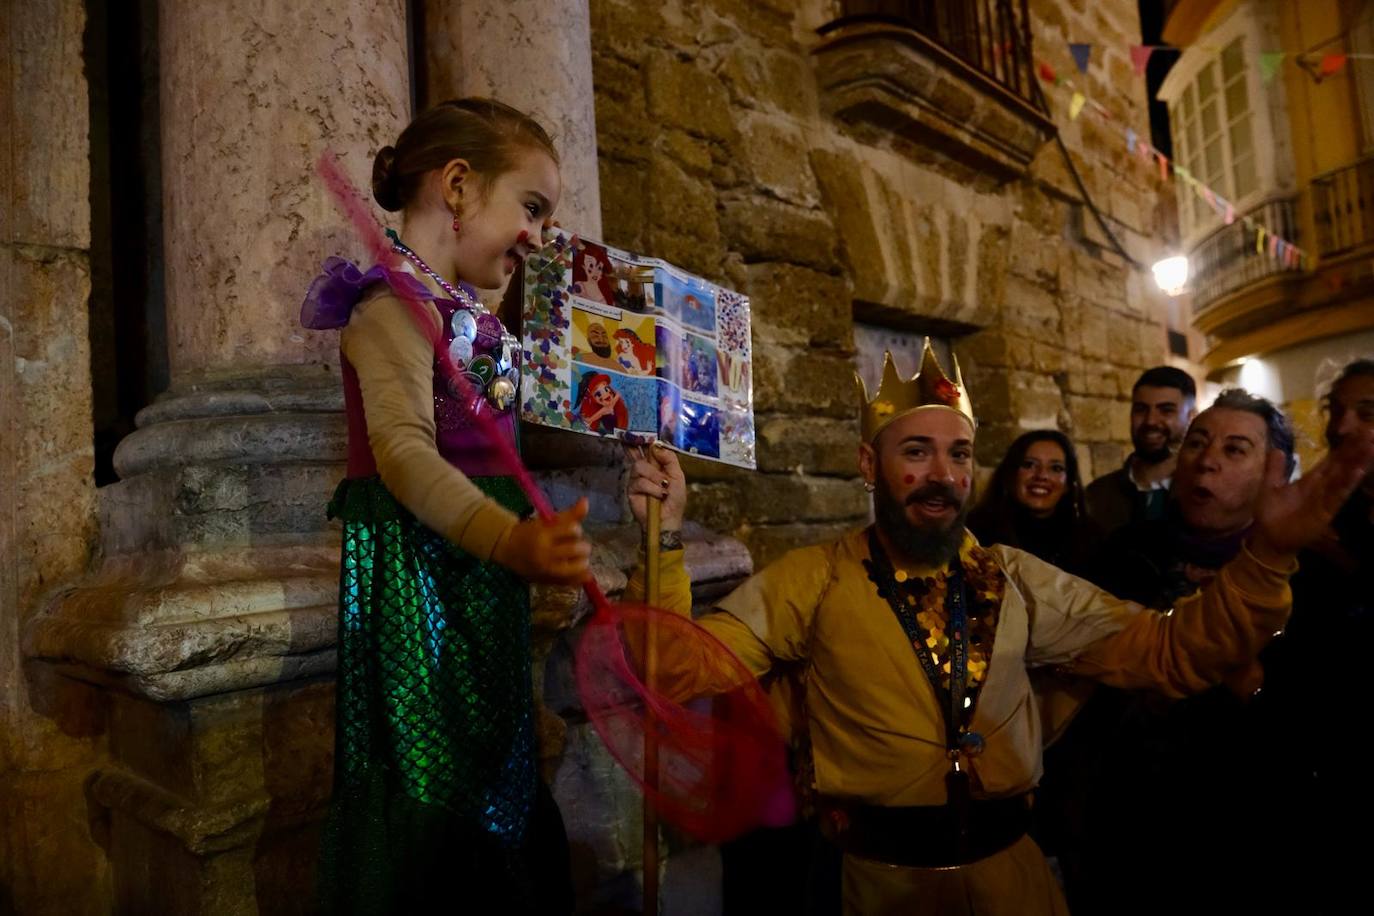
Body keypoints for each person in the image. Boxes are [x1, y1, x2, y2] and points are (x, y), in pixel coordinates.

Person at [619, 343, 1374, 916]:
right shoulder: (810, 580)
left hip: (1013, 883)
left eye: (959, 455)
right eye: (916, 453)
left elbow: (1173, 652)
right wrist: (665, 542)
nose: (943, 475)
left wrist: (1269, 551)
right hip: (876, 889)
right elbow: (673, 670)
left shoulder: (1017, 579)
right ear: (867, 464)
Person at [300, 98, 591, 914]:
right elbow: (402, 455)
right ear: (457, 185)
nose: (541, 234)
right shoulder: (391, 305)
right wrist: (511, 541)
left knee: (498, 781)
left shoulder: (470, 315)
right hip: (420, 586)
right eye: (531, 208)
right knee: (434, 796)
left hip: (478, 584)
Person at [1041, 389, 1299, 915]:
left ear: (1276, 472)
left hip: (1252, 833)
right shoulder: (1119, 552)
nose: (1208, 460)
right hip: (1120, 825)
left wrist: (1255, 685)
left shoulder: (1304, 570)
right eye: (1197, 443)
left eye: (1235, 449)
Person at [966, 430, 1102, 576]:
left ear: (1069, 483)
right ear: (1011, 473)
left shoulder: (1092, 542)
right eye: (1029, 465)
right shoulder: (975, 535)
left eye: (1056, 468)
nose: (1042, 475)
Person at [1084, 365, 1196, 536]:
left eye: (1166, 410)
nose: (1151, 421)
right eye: (1141, 409)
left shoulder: (1202, 491)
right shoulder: (1096, 496)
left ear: (1191, 418)